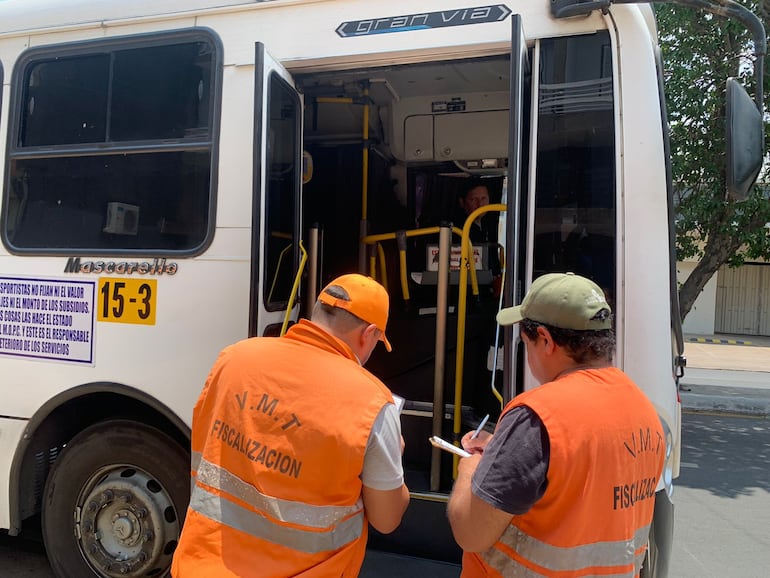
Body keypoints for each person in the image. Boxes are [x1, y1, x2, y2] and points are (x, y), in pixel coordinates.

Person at [171, 274, 410, 577]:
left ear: (318, 313)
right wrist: (393, 459)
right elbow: (387, 520)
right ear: (369, 334)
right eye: (377, 342)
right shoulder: (373, 404)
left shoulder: (233, 359)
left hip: (200, 567)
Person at [447, 272, 665, 577]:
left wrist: (471, 468)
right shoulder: (646, 412)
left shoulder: (536, 416)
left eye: (526, 343)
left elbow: (471, 532)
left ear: (546, 340)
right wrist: (504, 449)